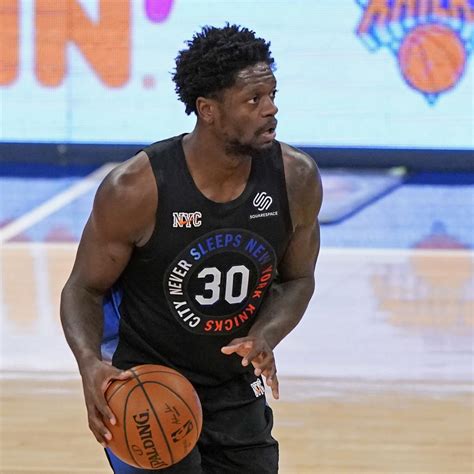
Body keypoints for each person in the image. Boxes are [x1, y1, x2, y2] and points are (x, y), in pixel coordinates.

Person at [60, 24, 322, 474]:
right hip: (147, 385)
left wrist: (265, 335)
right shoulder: (136, 189)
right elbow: (83, 289)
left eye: (272, 95)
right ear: (208, 110)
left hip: (233, 385)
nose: (271, 109)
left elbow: (298, 279)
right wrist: (89, 365)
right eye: (253, 99)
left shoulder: (295, 179)